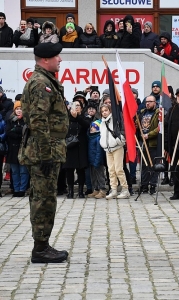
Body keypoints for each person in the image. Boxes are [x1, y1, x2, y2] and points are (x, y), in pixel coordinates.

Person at [18, 42, 69, 263]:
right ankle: (40, 249)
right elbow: (38, 122)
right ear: (46, 60)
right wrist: (47, 154)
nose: (60, 60)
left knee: (45, 197)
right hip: (43, 152)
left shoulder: (46, 81)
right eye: (57, 57)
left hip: (45, 150)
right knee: (43, 199)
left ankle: (43, 245)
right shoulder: (40, 83)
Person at [99, 104, 130, 199]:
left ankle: (125, 189)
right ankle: (114, 189)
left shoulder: (115, 119)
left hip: (117, 147)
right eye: (102, 111)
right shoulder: (102, 123)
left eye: (106, 110)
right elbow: (102, 134)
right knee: (111, 170)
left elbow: (122, 130)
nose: (104, 112)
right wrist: (103, 143)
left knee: (118, 169)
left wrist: (120, 140)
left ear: (110, 111)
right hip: (108, 149)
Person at [63, 100, 90, 199]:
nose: (76, 107)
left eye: (78, 105)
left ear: (82, 108)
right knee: (69, 170)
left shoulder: (84, 117)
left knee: (81, 170)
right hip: (69, 146)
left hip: (80, 146)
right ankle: (70, 191)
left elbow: (87, 125)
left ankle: (80, 191)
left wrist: (77, 117)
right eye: (74, 105)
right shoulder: (67, 118)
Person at [6, 100, 29, 197]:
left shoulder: (26, 121)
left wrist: (16, 130)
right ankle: (16, 189)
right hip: (12, 150)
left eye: (21, 109)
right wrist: (17, 131)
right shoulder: (10, 120)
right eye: (17, 109)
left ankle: (22, 189)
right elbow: (8, 133)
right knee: (15, 171)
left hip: (23, 149)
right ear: (14, 110)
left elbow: (26, 133)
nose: (19, 111)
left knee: (23, 171)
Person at [137, 95, 159, 194]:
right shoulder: (142, 113)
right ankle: (144, 186)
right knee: (144, 165)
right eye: (146, 101)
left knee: (153, 165)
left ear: (155, 103)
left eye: (150, 101)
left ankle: (153, 186)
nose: (147, 103)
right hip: (142, 143)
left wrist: (149, 135)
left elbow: (159, 128)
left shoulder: (158, 113)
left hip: (153, 143)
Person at [87, 120, 107, 199]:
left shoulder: (98, 138)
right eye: (91, 127)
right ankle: (96, 189)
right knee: (93, 176)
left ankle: (102, 189)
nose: (92, 128)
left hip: (97, 161)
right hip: (91, 160)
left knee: (100, 175)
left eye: (94, 127)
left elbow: (99, 151)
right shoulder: (90, 137)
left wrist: (97, 161)